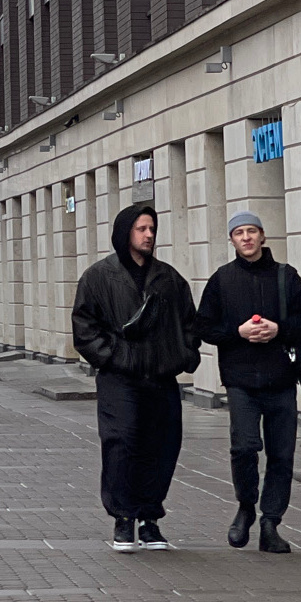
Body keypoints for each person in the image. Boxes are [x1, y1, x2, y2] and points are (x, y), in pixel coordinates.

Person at [71, 202, 201, 552]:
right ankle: (123, 518)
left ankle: (150, 519)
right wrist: (113, 357)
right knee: (122, 443)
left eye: (152, 229)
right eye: (141, 229)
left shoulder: (169, 278)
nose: (148, 235)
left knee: (162, 446)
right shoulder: (99, 277)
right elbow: (84, 327)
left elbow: (190, 324)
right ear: (125, 232)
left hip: (160, 377)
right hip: (120, 378)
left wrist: (182, 355)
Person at [197, 209, 301, 555]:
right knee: (244, 447)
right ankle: (246, 506)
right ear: (232, 240)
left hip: (281, 378)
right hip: (240, 380)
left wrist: (279, 329)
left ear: (263, 236)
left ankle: (271, 523)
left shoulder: (286, 276)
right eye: (239, 233)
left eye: (252, 231)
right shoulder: (222, 279)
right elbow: (204, 326)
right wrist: (237, 332)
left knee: (281, 454)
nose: (246, 238)